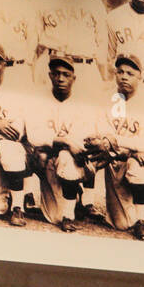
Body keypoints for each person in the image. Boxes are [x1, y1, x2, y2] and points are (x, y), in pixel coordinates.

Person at [25, 49, 98, 229]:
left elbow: (83, 142)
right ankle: (71, 198)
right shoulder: (39, 99)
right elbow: (34, 135)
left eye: (66, 74)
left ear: (74, 78)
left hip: (73, 162)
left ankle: (69, 215)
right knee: (52, 216)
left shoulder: (82, 103)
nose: (61, 78)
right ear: (50, 75)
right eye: (56, 73)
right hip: (47, 161)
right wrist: (64, 141)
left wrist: (66, 145)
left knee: (66, 157)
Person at [100, 50, 144, 238]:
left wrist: (118, 142)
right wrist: (130, 150)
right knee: (120, 224)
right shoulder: (106, 100)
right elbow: (102, 137)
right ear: (115, 74)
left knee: (139, 164)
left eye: (130, 73)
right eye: (121, 72)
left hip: (138, 162)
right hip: (115, 162)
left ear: (140, 77)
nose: (124, 77)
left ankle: (142, 220)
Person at [32, 0, 108, 99]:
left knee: (85, 113)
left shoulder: (94, 2)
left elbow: (102, 45)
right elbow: (32, 40)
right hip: (51, 67)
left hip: (84, 68)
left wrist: (104, 77)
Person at [0, 35, 26, 221]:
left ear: (5, 65)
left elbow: (15, 134)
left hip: (0, 159)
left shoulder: (14, 94)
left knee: (9, 147)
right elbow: (3, 132)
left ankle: (17, 205)